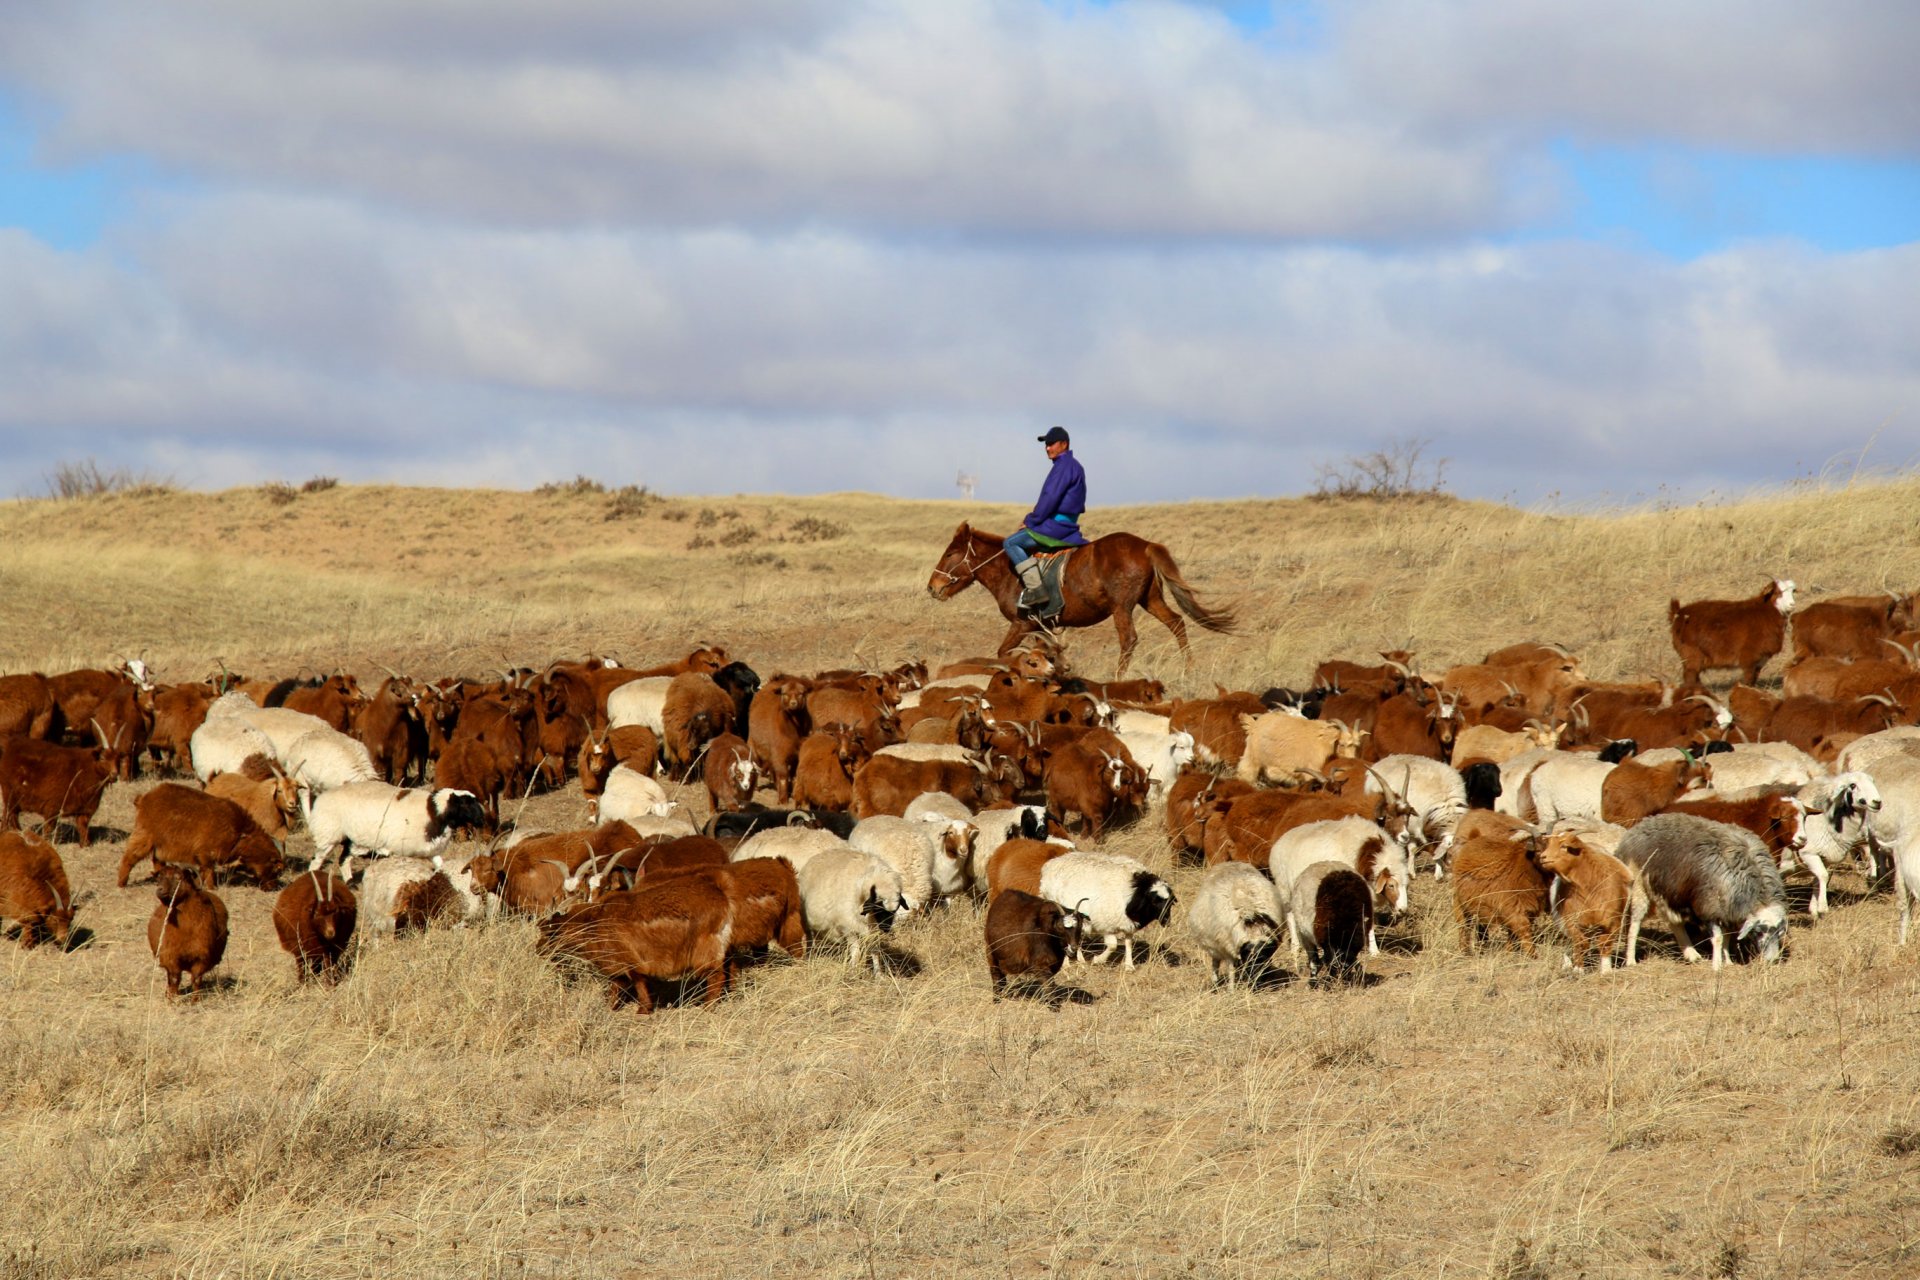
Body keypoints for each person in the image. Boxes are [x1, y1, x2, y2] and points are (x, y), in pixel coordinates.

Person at [1005, 426, 1088, 613]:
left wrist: (1031, 521)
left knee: (1011, 543)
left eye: (1051, 444)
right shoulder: (1074, 466)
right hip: (1067, 525)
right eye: (1046, 444)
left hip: (1056, 527)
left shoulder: (1063, 467)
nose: (1047, 448)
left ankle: (1035, 589)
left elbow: (1050, 498)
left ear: (1064, 444)